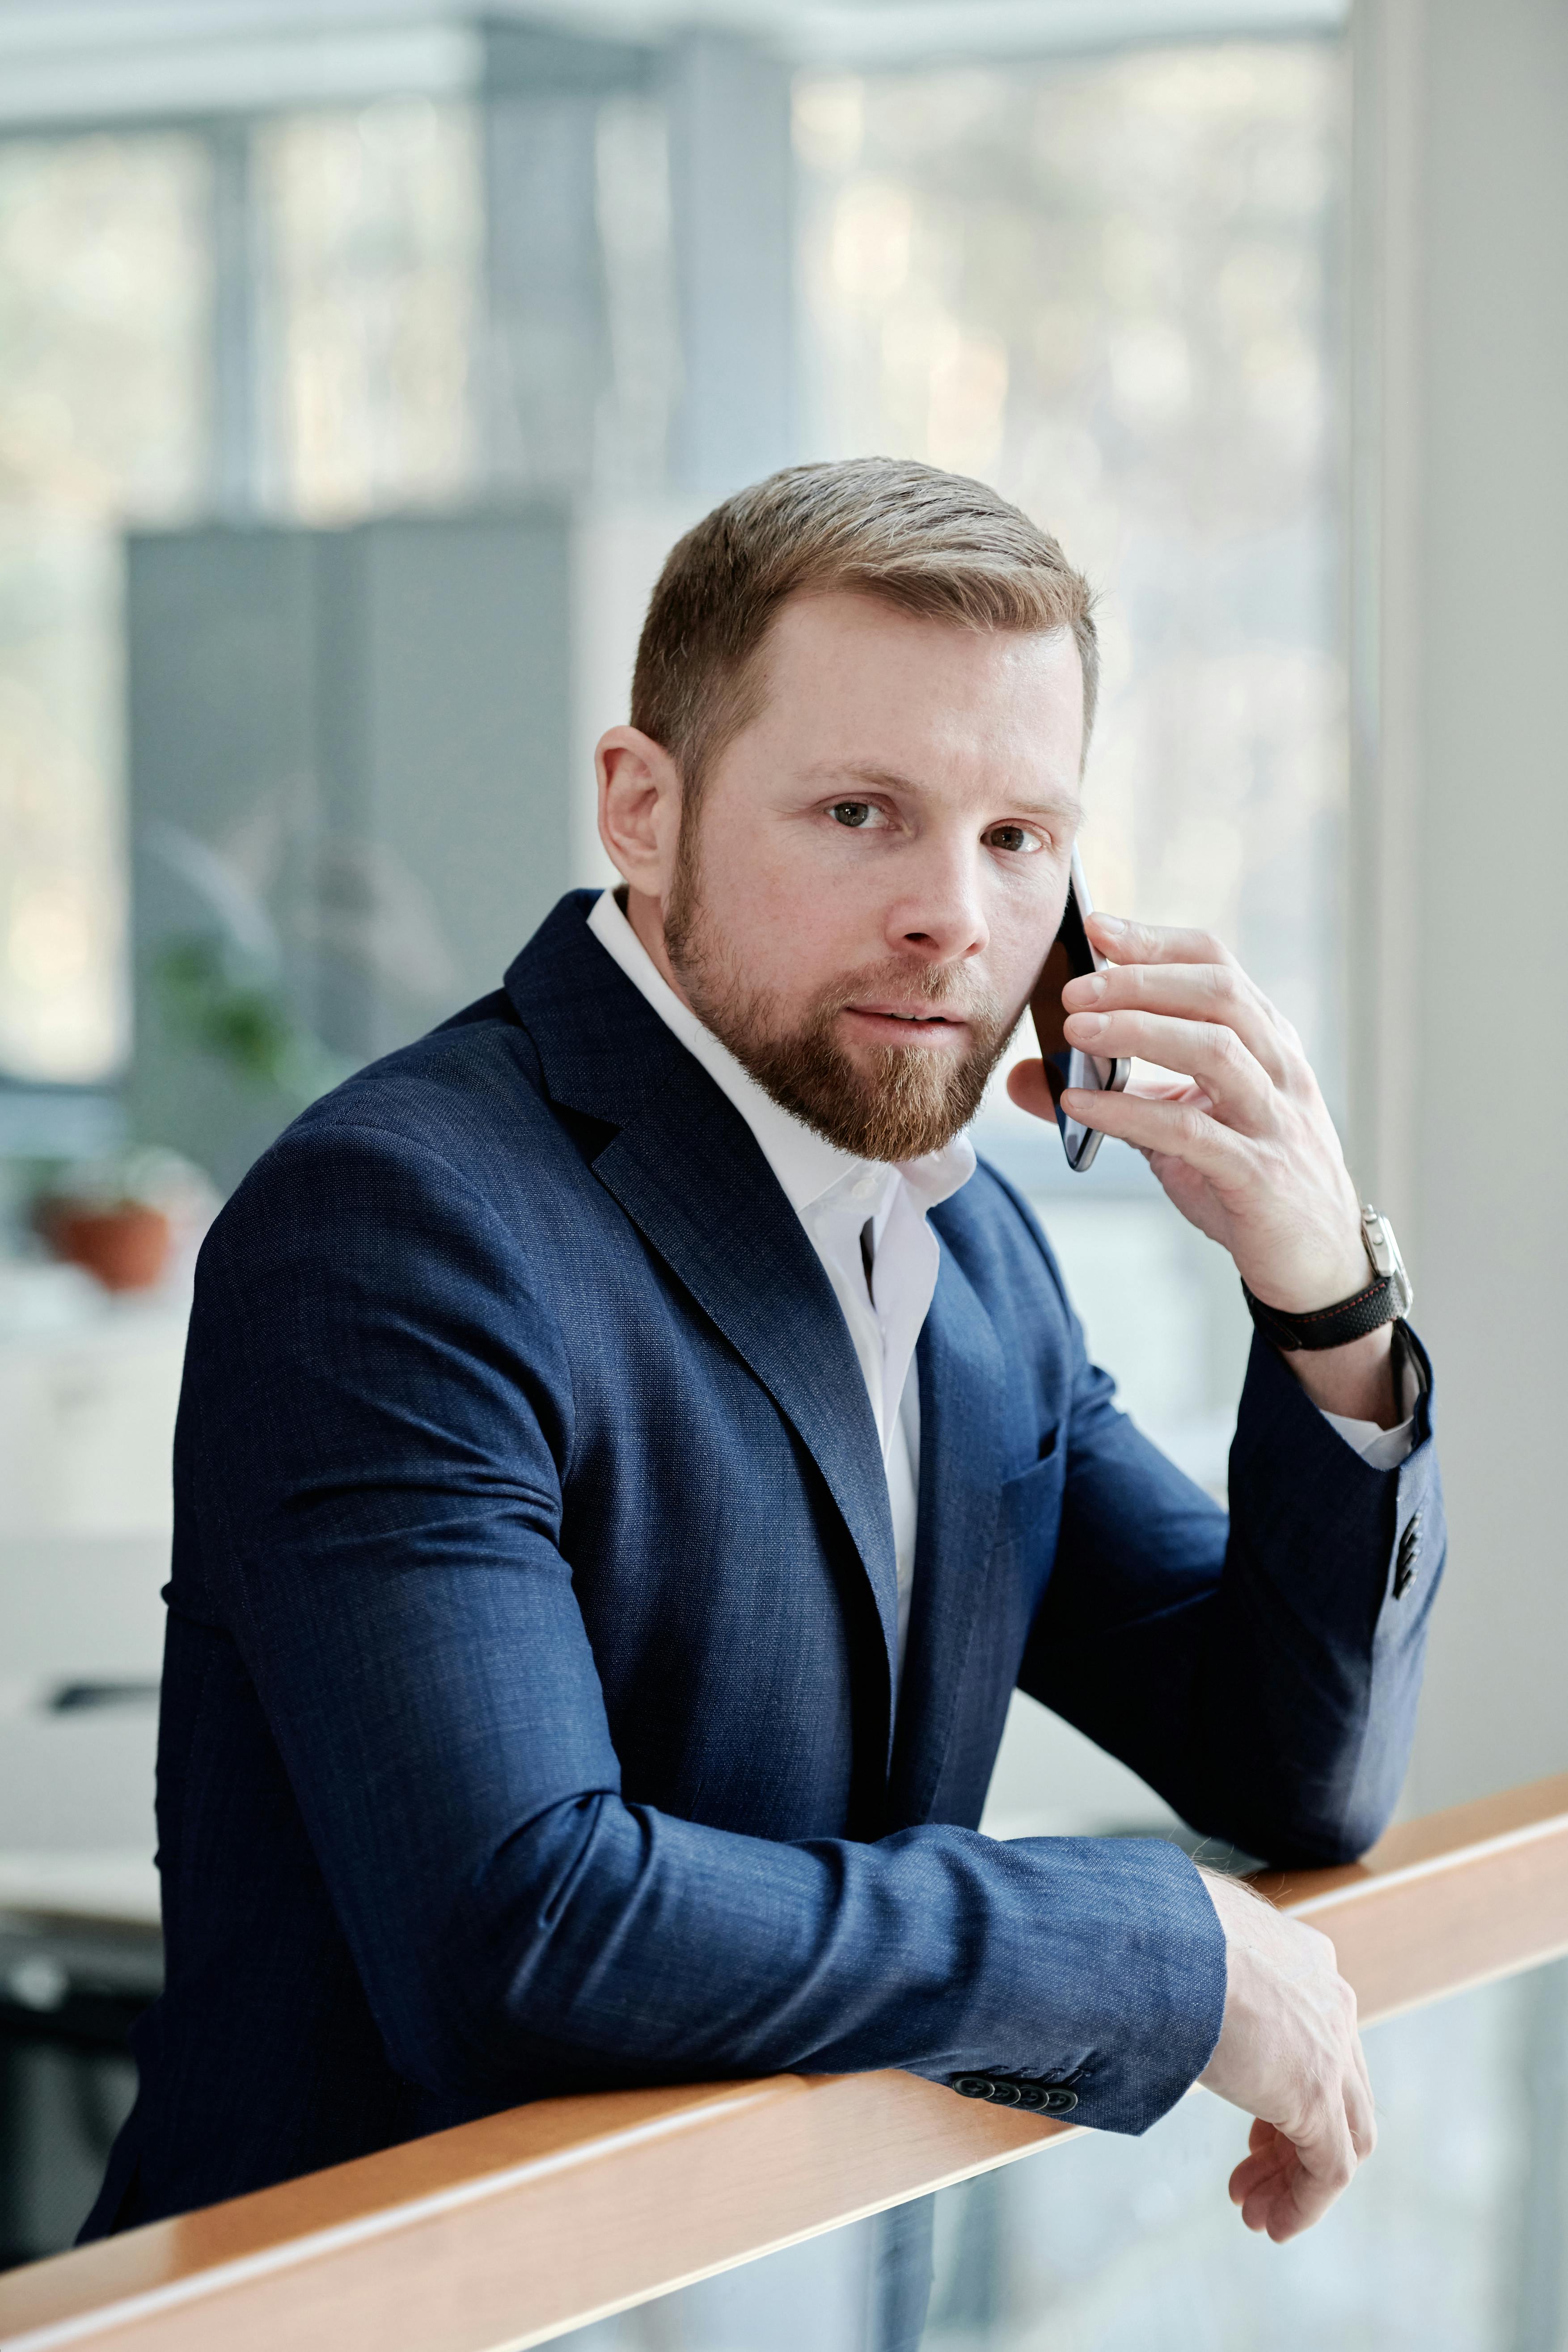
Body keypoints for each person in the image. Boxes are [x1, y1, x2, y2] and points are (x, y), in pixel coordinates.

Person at [84, 459, 1441, 2252]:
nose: (954, 914)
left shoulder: (969, 1250)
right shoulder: (396, 1221)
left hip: (782, 2287)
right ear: (640, 808)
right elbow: (526, 1932)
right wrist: (1145, 1939)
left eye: (1018, 836)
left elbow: (1293, 1772)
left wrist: (1326, 1302)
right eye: (864, 812)